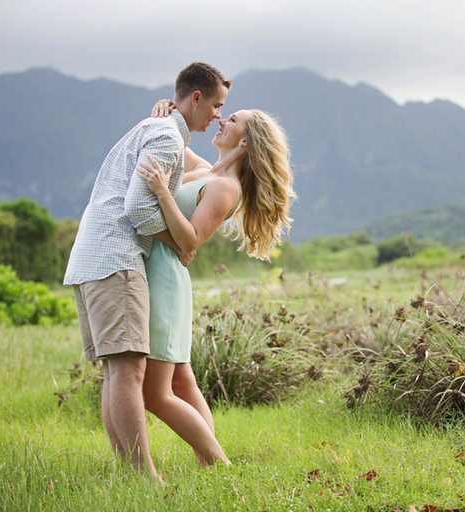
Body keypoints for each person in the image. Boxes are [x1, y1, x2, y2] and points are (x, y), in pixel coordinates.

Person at [63, 62, 231, 480]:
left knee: (117, 370)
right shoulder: (165, 135)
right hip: (116, 259)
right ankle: (146, 478)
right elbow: (137, 207)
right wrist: (179, 245)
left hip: (94, 258)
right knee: (129, 370)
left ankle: (130, 471)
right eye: (216, 105)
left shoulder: (158, 128)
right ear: (195, 98)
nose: (217, 115)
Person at [137, 101, 295, 467]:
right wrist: (166, 109)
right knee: (182, 384)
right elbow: (176, 140)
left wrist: (162, 192)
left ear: (246, 143)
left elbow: (191, 239)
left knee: (154, 394)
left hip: (165, 281)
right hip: (160, 274)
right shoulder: (208, 170)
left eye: (233, 119)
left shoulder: (225, 187)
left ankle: (218, 464)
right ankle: (209, 465)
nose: (223, 119)